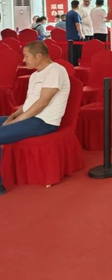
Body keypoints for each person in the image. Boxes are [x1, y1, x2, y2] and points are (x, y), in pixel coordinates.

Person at [0, 41, 71, 195]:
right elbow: (29, 103)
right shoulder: (34, 75)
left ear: (39, 56)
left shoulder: (56, 71)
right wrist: (13, 116)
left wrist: (16, 122)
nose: (23, 60)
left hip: (44, 122)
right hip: (30, 117)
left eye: (26, 56)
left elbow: (42, 102)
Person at [65, 0, 84, 65]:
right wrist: (81, 34)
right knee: (76, 52)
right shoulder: (75, 14)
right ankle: (75, 64)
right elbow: (77, 24)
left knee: (71, 52)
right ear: (78, 6)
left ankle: (71, 64)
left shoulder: (68, 13)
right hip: (76, 36)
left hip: (69, 35)